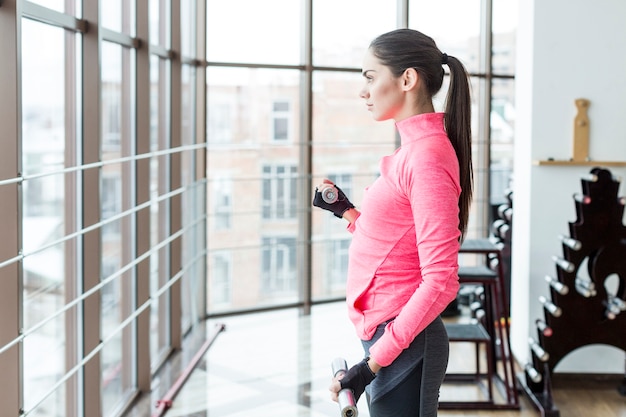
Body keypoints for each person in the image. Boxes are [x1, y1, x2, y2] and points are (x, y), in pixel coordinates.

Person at [312, 28, 473, 416]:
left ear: (407, 79)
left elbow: (441, 280)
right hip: (390, 340)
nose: (363, 90)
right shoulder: (413, 151)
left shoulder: (427, 157)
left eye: (370, 76)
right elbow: (396, 237)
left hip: (405, 346)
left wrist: (370, 367)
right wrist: (347, 212)